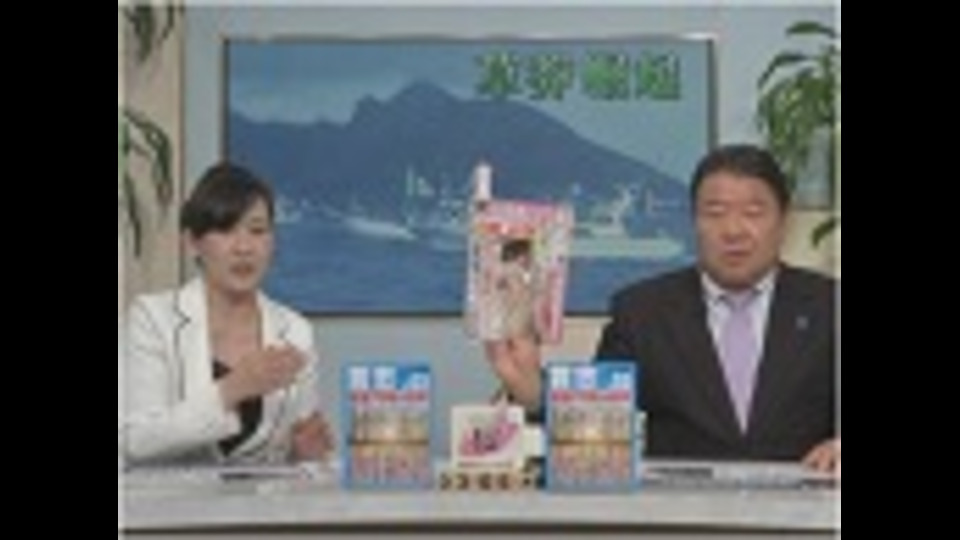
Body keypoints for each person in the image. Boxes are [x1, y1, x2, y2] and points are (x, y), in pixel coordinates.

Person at [486, 144, 840, 473]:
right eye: (715, 213)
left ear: (783, 221)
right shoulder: (642, 313)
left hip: (807, 511)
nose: (733, 230)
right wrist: (534, 395)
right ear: (694, 223)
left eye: (753, 213)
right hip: (678, 511)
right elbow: (598, 426)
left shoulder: (829, 307)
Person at [119, 162, 334, 466]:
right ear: (193, 242)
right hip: (168, 498)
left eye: (257, 231)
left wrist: (303, 454)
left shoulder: (296, 331)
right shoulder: (152, 319)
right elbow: (134, 440)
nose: (244, 247)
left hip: (260, 499)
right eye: (225, 230)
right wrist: (233, 389)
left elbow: (294, 461)